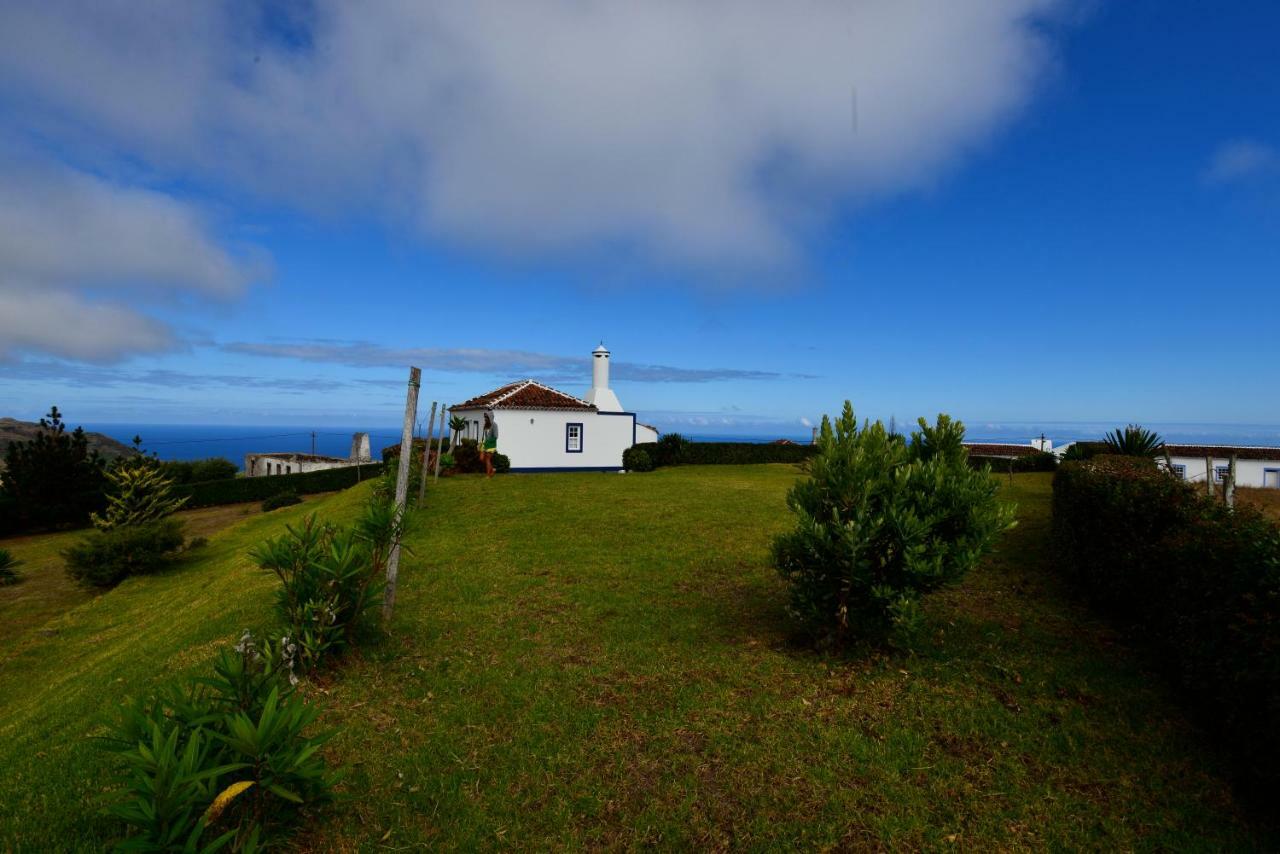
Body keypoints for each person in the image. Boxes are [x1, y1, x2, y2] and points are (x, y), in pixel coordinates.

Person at [480, 412, 498, 478]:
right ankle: (492, 469)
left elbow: (496, 436)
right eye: (485, 417)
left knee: (487, 459)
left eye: (486, 417)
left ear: (490, 417)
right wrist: (482, 442)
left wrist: (489, 441)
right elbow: (485, 436)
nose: (485, 418)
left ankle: (488, 475)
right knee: (481, 458)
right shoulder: (485, 425)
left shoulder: (494, 425)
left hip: (491, 444)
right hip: (485, 444)